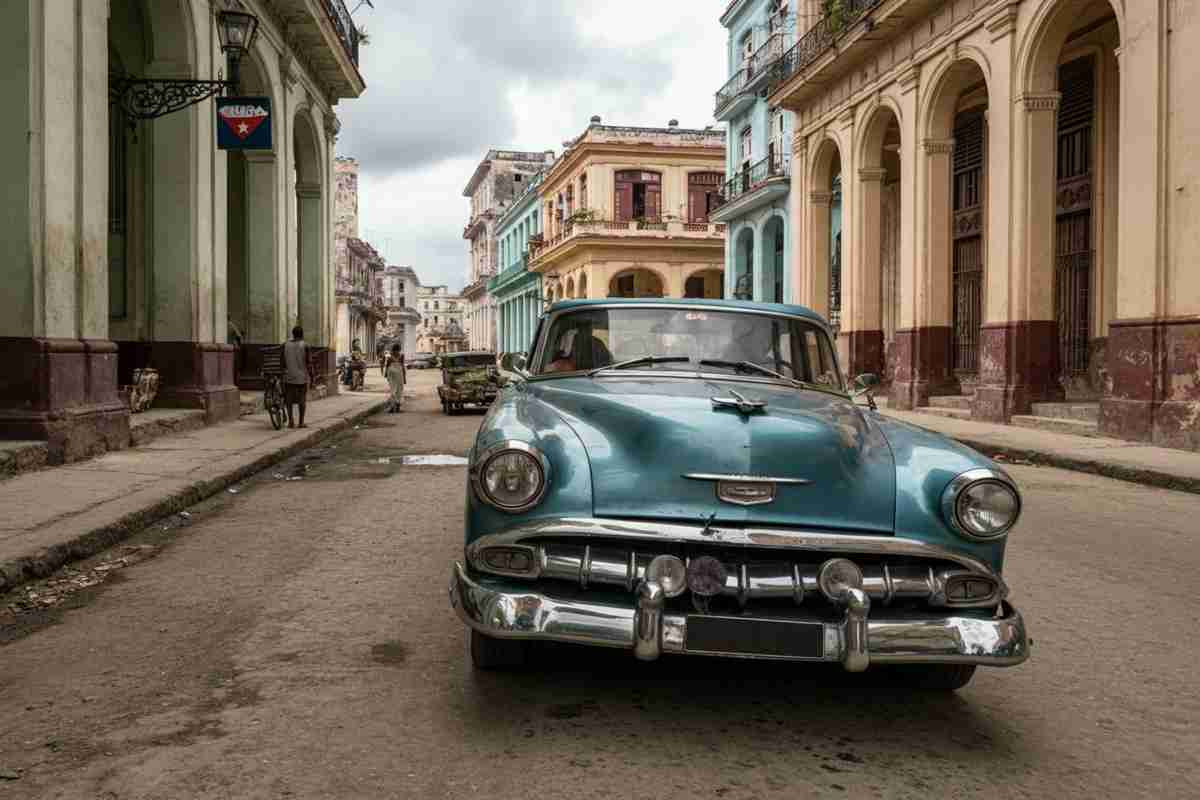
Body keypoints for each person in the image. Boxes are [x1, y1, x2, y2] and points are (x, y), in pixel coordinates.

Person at [282, 326, 309, 429]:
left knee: (288, 399)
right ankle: (301, 422)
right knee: (302, 399)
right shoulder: (305, 345)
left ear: (293, 334)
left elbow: (282, 361)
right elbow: (308, 361)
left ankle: (291, 422)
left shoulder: (286, 344)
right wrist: (311, 374)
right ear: (302, 334)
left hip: (289, 376)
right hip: (301, 377)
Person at [385, 344, 406, 413]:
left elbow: (387, 366)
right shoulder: (392, 357)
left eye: (398, 350)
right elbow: (388, 366)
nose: (397, 352)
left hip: (396, 374)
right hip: (395, 374)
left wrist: (386, 374)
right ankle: (394, 407)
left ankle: (395, 407)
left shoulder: (394, 357)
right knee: (396, 390)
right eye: (396, 350)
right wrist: (386, 375)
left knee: (396, 390)